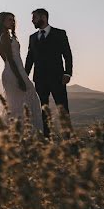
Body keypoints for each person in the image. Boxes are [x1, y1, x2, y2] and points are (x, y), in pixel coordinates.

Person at [0, 12, 44, 133]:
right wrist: (20, 78)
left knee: (19, 104)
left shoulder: (6, 35)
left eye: (13, 20)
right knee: (22, 102)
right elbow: (9, 59)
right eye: (9, 19)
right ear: (2, 21)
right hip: (14, 73)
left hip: (15, 71)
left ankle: (20, 136)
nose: (12, 22)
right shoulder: (3, 36)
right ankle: (22, 135)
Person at [24, 8, 73, 136]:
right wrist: (25, 76)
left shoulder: (60, 33)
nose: (32, 21)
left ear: (43, 17)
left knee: (62, 108)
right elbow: (30, 59)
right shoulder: (32, 38)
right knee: (43, 109)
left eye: (34, 18)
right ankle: (47, 138)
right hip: (39, 79)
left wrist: (68, 73)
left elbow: (67, 55)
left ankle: (68, 138)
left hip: (58, 78)